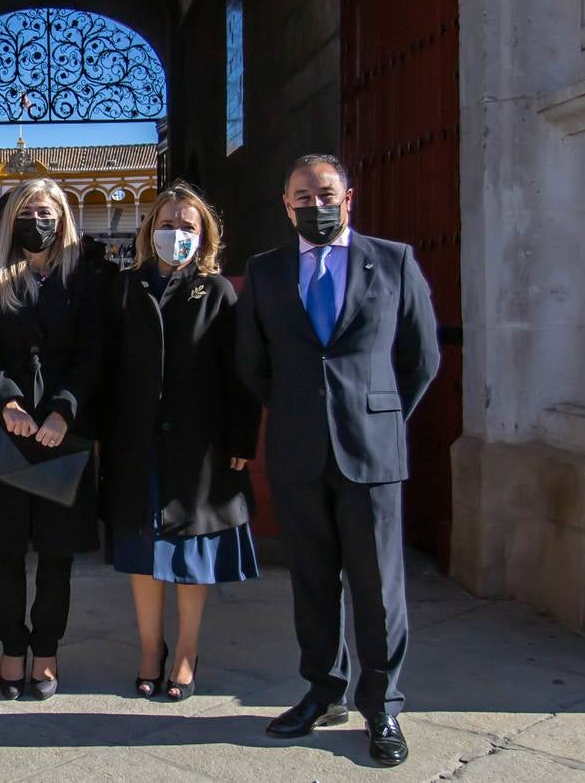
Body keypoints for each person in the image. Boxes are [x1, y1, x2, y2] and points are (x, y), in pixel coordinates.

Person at [236, 154, 440, 767]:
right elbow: (253, 363)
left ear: (348, 197)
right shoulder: (265, 272)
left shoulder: (394, 260)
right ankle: (323, 690)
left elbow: (421, 356)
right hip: (299, 450)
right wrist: (303, 410)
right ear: (286, 204)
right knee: (313, 580)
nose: (314, 205)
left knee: (378, 586)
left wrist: (378, 416)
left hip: (372, 451)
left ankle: (383, 706)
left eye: (325, 193)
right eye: (302, 196)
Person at [103, 182, 261, 703]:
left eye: (187, 227)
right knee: (144, 553)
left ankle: (188, 652)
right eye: (167, 225)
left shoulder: (217, 292)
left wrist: (242, 437)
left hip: (200, 449)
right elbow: (108, 371)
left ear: (204, 236)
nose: (176, 234)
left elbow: (240, 374)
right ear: (151, 231)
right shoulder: (126, 288)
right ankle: (151, 650)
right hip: (138, 444)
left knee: (192, 556)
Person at [0, 177, 103, 701]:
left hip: (64, 428)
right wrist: (8, 400)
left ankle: (46, 651)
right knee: (7, 551)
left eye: (47, 211)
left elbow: (93, 352)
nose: (37, 221)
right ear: (11, 216)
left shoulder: (86, 272)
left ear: (62, 217)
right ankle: (11, 648)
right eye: (27, 211)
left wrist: (64, 409)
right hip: (7, 429)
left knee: (57, 553)